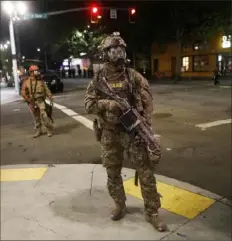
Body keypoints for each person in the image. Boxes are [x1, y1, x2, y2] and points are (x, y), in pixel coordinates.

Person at [84, 32, 168, 232]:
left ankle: (152, 212)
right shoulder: (98, 79)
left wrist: (143, 126)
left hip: (132, 133)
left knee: (146, 172)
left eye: (121, 49)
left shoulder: (133, 76)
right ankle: (120, 205)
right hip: (109, 134)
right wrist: (107, 104)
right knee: (113, 172)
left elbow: (147, 103)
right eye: (113, 50)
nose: (118, 53)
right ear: (106, 53)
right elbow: (88, 105)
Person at [21, 65, 54, 138]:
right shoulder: (27, 81)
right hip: (32, 102)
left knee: (44, 115)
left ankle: (49, 129)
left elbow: (46, 89)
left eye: (37, 70)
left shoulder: (41, 81)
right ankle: (38, 130)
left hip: (40, 101)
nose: (37, 72)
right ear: (31, 72)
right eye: (35, 71)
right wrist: (28, 99)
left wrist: (50, 97)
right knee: (36, 118)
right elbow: (23, 92)